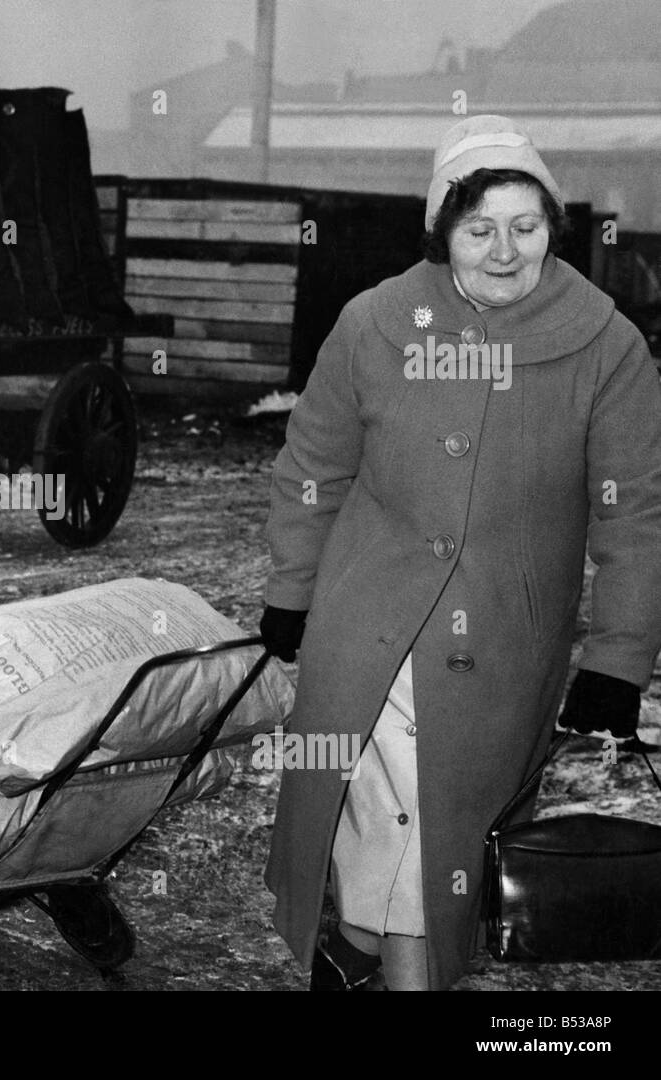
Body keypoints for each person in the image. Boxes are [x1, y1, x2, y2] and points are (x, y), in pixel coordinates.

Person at [258, 114, 661, 991]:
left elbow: (635, 518)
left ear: (554, 227)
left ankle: (360, 965)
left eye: (527, 227)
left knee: (430, 856)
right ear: (445, 232)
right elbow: (314, 468)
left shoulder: (608, 347)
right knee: (377, 841)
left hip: (498, 657)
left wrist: (619, 660)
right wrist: (292, 590)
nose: (506, 251)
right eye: (481, 230)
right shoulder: (375, 324)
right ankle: (360, 962)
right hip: (362, 640)